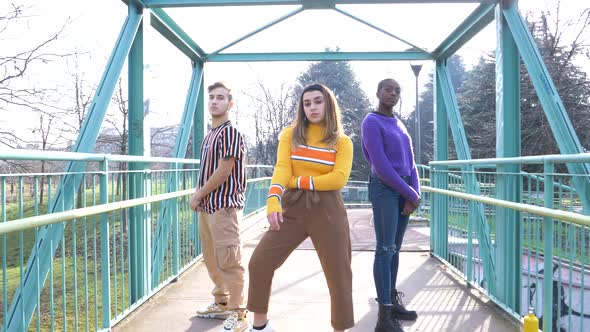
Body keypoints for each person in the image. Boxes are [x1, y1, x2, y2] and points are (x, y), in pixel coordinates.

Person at [247, 83, 354, 332]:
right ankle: (260, 326)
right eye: (307, 103)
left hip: (328, 208)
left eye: (318, 101)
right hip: (292, 205)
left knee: (339, 274)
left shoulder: (342, 141)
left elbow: (339, 178)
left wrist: (299, 181)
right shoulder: (290, 134)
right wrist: (273, 200)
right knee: (260, 261)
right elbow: (282, 168)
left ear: (328, 104)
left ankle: (340, 327)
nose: (312, 107)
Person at [361, 78, 421, 332]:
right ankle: (384, 317)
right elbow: (381, 165)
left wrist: (415, 192)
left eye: (398, 91)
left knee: (395, 249)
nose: (393, 93)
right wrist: (408, 192)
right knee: (385, 249)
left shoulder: (399, 123)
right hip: (385, 189)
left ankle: (392, 300)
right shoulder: (371, 122)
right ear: (377, 92)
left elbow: (412, 161)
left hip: (403, 189)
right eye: (388, 89)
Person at [190, 81, 249, 332]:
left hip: (224, 206)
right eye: (212, 97)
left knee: (229, 259)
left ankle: (239, 314)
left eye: (220, 98)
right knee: (212, 258)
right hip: (208, 206)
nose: (214, 101)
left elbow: (224, 171)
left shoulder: (230, 132)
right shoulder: (210, 134)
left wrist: (197, 194)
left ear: (230, 103)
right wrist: (201, 198)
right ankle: (222, 301)